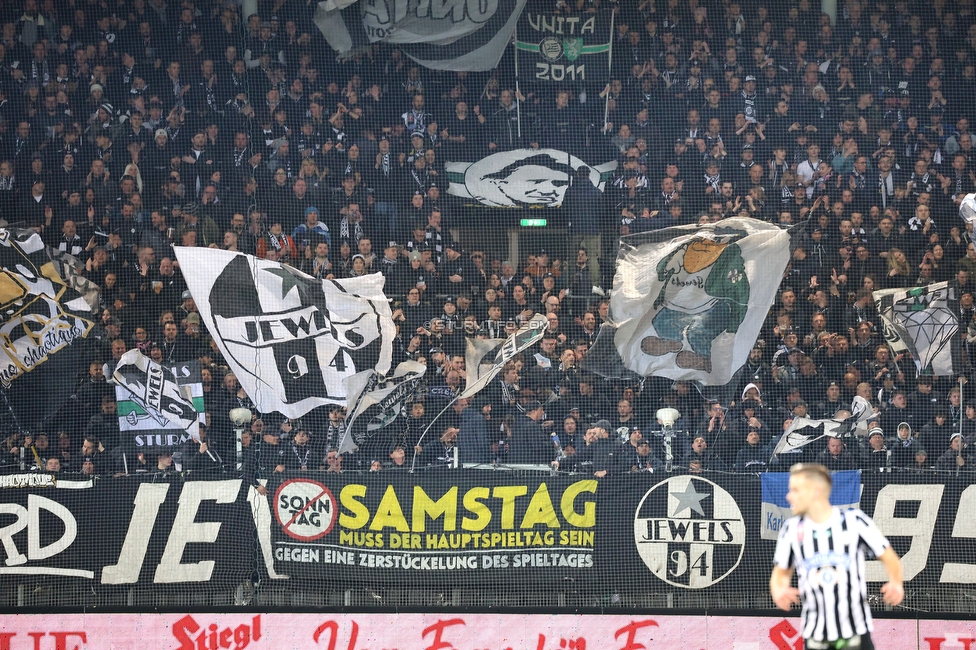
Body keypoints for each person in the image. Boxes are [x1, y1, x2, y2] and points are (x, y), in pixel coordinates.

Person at [770, 463, 904, 650]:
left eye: (795, 490)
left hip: (855, 632)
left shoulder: (855, 522)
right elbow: (780, 573)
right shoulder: (791, 529)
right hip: (815, 634)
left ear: (815, 491)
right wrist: (778, 589)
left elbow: (889, 557)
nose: (788, 496)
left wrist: (896, 582)